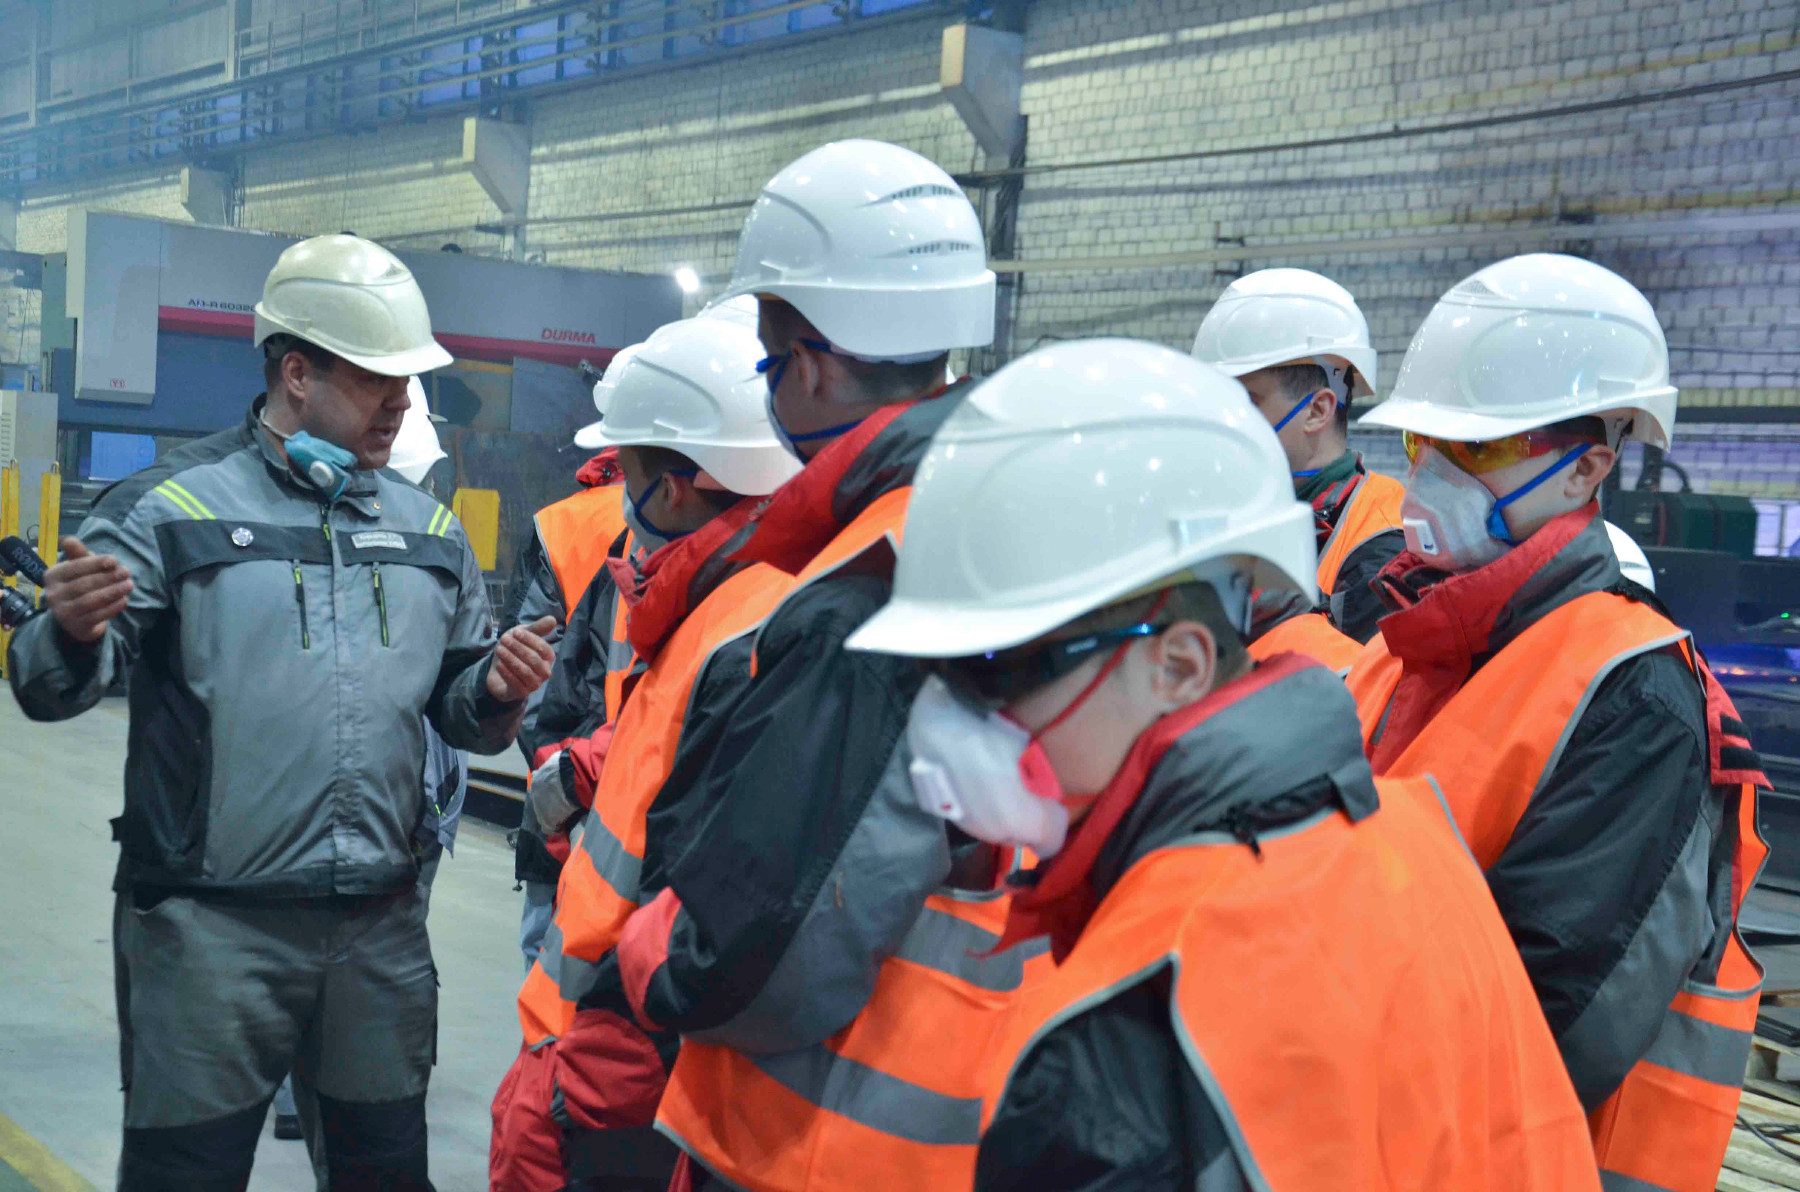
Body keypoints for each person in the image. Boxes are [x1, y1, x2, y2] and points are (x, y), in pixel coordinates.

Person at [840, 336, 1600, 1189]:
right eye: (943, 675)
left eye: (1001, 669)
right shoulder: (1423, 851)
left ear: (1179, 665)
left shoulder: (1119, 1026)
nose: (958, 720)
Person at [7, 234, 556, 1192]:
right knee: (183, 1176)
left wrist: (497, 692)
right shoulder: (168, 509)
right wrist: (72, 633)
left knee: (387, 1175)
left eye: (406, 380)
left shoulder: (429, 533)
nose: (402, 402)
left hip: (380, 934)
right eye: (377, 377)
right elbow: (50, 688)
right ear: (296, 373)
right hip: (210, 937)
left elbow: (459, 711)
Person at [603, 139, 1046, 1191]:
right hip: (981, 1108)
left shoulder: (869, 589)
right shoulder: (1004, 518)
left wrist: (648, 947)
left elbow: (742, 957)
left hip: (822, 1137)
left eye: (768, 363)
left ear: (808, 362)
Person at [1344, 253, 1770, 1192]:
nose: (1433, 471)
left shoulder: (1639, 700)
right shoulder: (1400, 645)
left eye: (1479, 449)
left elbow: (1548, 1021)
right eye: (1422, 441)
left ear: (1587, 468)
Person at [489, 311, 799, 1192]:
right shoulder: (716, 597)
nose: (614, 501)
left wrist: (579, 1079)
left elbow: (704, 884)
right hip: (605, 1033)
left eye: (623, 472)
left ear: (673, 486)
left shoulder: (740, 626)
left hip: (620, 1053)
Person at [1191, 268, 1404, 667]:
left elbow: (1367, 694)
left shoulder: (1385, 546)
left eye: (1245, 403)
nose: (1226, 423)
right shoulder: (1233, 512)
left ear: (1317, 411)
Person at [510, 349, 639, 970]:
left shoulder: (559, 524)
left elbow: (528, 679)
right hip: (648, 803)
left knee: (550, 961)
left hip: (567, 789)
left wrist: (557, 781)